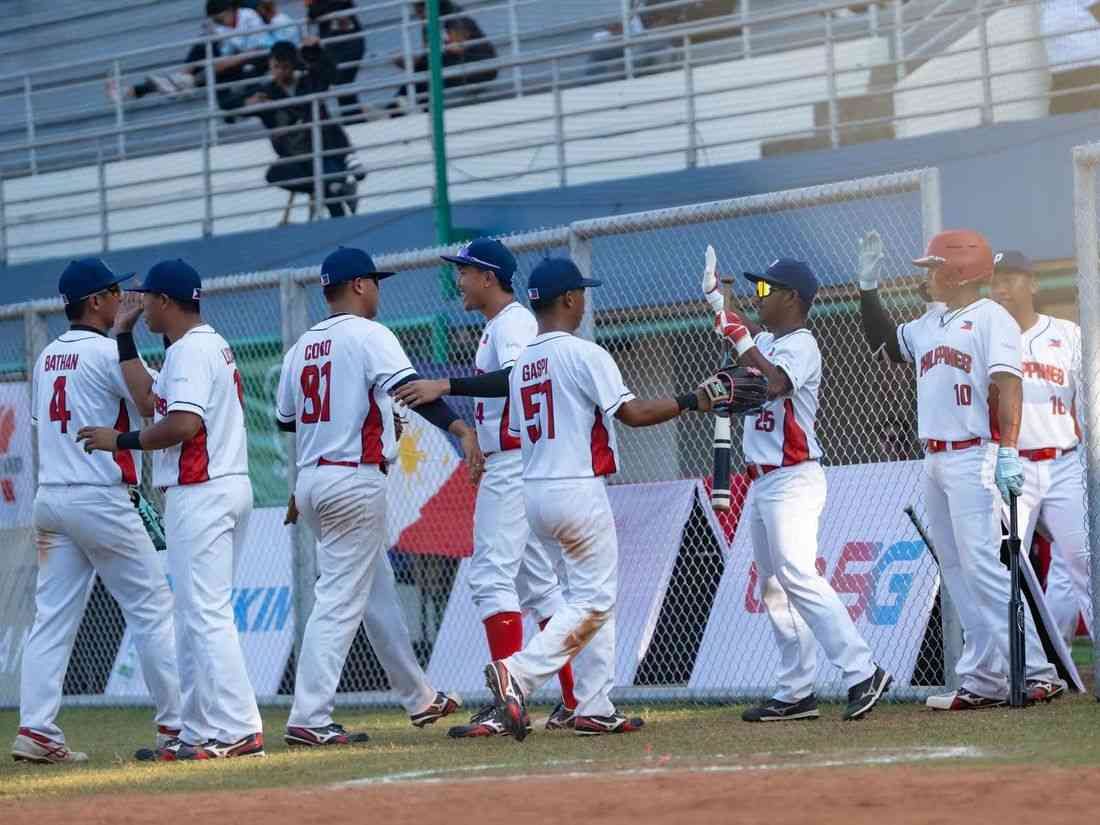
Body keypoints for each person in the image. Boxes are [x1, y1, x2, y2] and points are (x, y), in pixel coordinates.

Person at [483, 257, 728, 740]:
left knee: (589, 599)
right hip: (576, 486)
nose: (585, 301)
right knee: (594, 599)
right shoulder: (583, 352)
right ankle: (521, 672)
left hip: (533, 490)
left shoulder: (523, 361)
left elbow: (514, 431)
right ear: (569, 299)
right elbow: (633, 414)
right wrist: (693, 400)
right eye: (581, 294)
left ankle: (593, 705)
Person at [275, 247, 477, 744]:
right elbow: (411, 391)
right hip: (352, 479)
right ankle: (309, 717)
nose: (379, 290)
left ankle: (420, 698)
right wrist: (458, 427)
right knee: (339, 601)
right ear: (360, 285)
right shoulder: (369, 334)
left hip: (314, 480)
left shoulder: (302, 345)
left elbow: (285, 419)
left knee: (376, 591)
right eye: (376, 282)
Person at [857, 229, 1065, 710]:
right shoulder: (932, 321)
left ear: (959, 269)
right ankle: (987, 677)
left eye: (934, 266)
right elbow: (886, 345)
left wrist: (1009, 451)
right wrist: (867, 289)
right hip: (934, 456)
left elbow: (1008, 386)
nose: (928, 275)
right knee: (955, 569)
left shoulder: (992, 318)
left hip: (975, 454)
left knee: (981, 566)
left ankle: (1036, 670)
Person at [392, 239, 580, 737]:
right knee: (538, 586)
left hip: (515, 466)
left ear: (490, 276)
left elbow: (518, 377)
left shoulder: (513, 322)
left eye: (466, 271)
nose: (459, 280)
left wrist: (446, 386)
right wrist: (476, 439)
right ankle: (575, 698)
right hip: (512, 460)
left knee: (491, 578)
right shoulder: (499, 325)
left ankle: (508, 700)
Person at [77, 259, 264, 759]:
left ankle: (237, 728)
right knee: (195, 614)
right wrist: (123, 336)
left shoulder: (190, 351)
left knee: (205, 613)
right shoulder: (203, 345)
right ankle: (198, 730)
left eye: (145, 298)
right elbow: (148, 400)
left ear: (164, 301)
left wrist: (119, 440)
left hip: (201, 488)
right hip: (216, 486)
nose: (139, 304)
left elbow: (181, 425)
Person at [11, 259, 181, 765]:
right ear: (94, 301)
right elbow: (157, 402)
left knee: (51, 620)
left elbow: (47, 423)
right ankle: (177, 725)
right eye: (112, 290)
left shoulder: (47, 357)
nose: (120, 297)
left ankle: (36, 729)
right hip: (99, 494)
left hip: (53, 498)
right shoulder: (109, 351)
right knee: (152, 610)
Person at [709, 254, 892, 722]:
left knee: (795, 573)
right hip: (763, 481)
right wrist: (721, 303)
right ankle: (796, 691)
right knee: (773, 584)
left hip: (794, 477)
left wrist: (735, 329)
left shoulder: (803, 345)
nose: (759, 296)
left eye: (768, 290)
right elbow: (749, 337)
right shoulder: (769, 339)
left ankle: (862, 669)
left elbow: (771, 382)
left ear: (793, 298)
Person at [989, 250, 1091, 648]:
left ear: (1032, 284)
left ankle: (1067, 655)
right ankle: (1026, 662)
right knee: (1004, 566)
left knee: (1084, 561)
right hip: (1012, 466)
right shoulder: (987, 336)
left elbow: (1087, 400)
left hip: (1065, 461)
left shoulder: (1067, 334)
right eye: (996, 280)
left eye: (1011, 278)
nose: (1002, 287)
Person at [245, 39, 360, 219]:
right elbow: (228, 106)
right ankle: (337, 186)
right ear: (270, 65)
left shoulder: (309, 81)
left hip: (323, 146)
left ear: (292, 65)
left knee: (331, 194)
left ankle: (337, 186)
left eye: (284, 67)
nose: (280, 72)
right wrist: (247, 103)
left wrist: (316, 50)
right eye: (276, 67)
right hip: (294, 155)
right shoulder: (266, 92)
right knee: (276, 174)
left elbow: (332, 75)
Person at [108, 1, 273, 113]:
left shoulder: (248, 16)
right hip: (228, 63)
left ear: (231, 11)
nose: (219, 23)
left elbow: (254, 49)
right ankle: (181, 79)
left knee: (211, 64)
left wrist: (222, 47)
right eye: (216, 20)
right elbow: (221, 51)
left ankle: (184, 82)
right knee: (203, 46)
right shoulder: (220, 25)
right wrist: (213, 35)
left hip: (254, 59)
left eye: (220, 19)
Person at [389, 1, 498, 114]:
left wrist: (439, 46)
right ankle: (395, 109)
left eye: (420, 8)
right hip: (454, 65)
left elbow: (457, 48)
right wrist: (409, 62)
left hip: (478, 65)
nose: (417, 13)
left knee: (429, 70)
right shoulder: (427, 27)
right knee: (424, 69)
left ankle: (410, 109)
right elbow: (428, 56)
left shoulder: (456, 19)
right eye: (416, 9)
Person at [308, 0, 367, 122]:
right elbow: (312, 13)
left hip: (349, 42)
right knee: (324, 85)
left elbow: (319, 10)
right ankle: (352, 120)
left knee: (342, 83)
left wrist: (322, 8)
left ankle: (355, 121)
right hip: (331, 45)